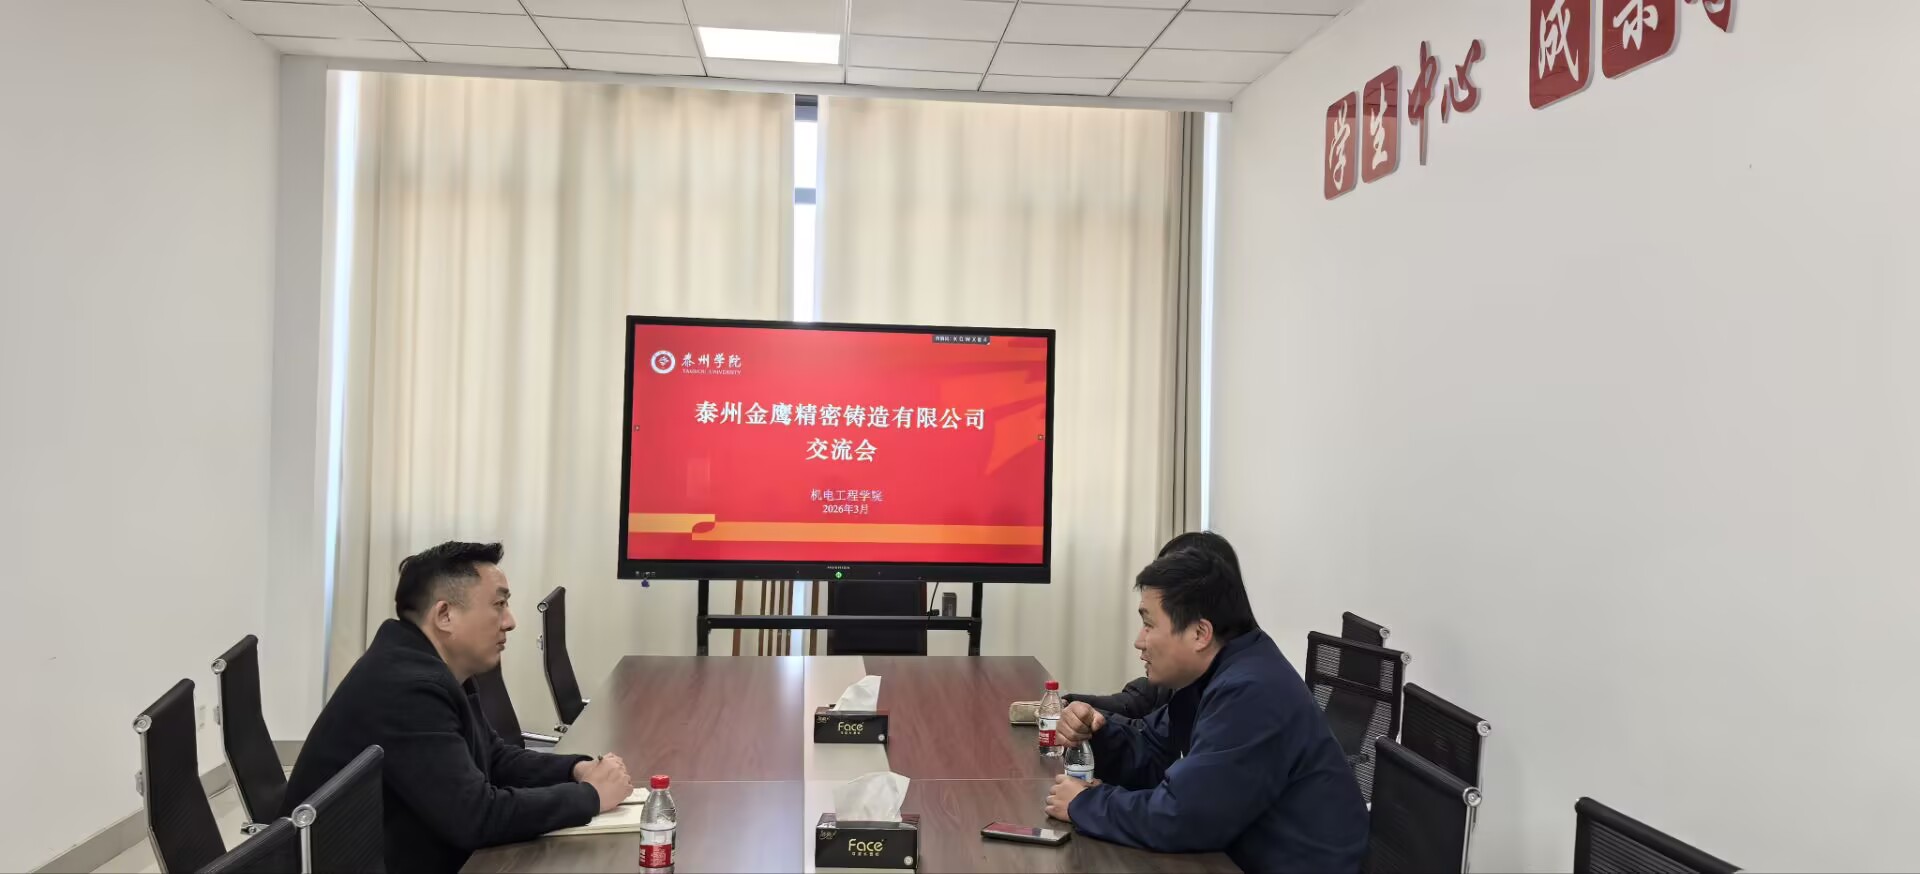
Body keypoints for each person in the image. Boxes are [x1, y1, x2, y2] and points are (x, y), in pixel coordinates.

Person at [284, 541, 631, 873]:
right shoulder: (408, 688)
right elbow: (476, 818)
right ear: (445, 615)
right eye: (499, 604)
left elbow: (493, 757)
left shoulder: (431, 663)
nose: (510, 621)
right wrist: (588, 797)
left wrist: (576, 769)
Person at [1043, 547, 1370, 873]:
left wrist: (1085, 804)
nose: (1139, 641)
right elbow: (1155, 753)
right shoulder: (1215, 675)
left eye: (1149, 625)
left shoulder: (1251, 693)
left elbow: (1184, 817)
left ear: (1200, 633)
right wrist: (1097, 733)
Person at [1063, 531, 1242, 720]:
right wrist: (1068, 707)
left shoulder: (1235, 696)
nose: (1139, 642)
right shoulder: (1176, 684)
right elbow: (1139, 710)